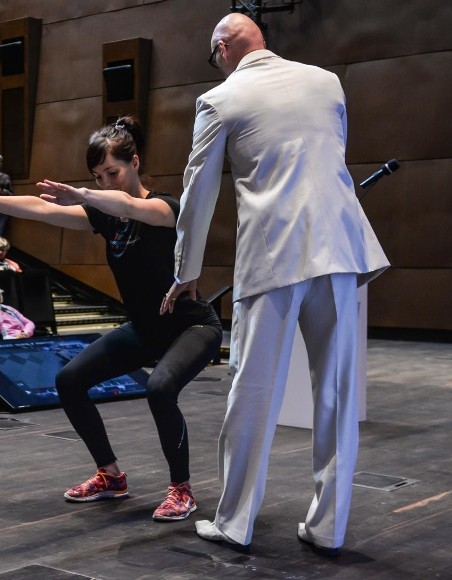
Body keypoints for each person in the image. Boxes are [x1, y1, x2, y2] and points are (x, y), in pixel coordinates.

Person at [162, 14, 389, 553]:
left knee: (252, 393)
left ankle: (235, 521)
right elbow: (329, 160)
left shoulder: (220, 100)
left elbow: (197, 196)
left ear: (222, 48)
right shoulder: (325, 81)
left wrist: (185, 272)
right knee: (335, 395)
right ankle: (328, 528)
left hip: (273, 257)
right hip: (338, 249)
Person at [0, 114, 223, 521]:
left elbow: (128, 204)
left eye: (113, 172)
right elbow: (42, 209)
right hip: (146, 328)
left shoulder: (165, 207)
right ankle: (110, 476)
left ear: (135, 163)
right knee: (69, 380)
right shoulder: (105, 216)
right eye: (98, 176)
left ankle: (182, 489)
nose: (107, 182)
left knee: (160, 388)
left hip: (192, 325)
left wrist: (85, 195)